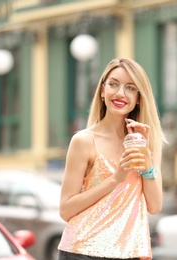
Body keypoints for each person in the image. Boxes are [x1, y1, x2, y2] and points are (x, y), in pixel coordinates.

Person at [58, 58, 167, 260]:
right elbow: (65, 210)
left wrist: (147, 161)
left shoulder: (148, 142)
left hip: (130, 252)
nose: (120, 93)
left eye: (130, 88)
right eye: (113, 84)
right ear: (102, 90)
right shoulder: (84, 141)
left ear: (139, 98)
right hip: (83, 251)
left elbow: (155, 206)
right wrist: (116, 178)